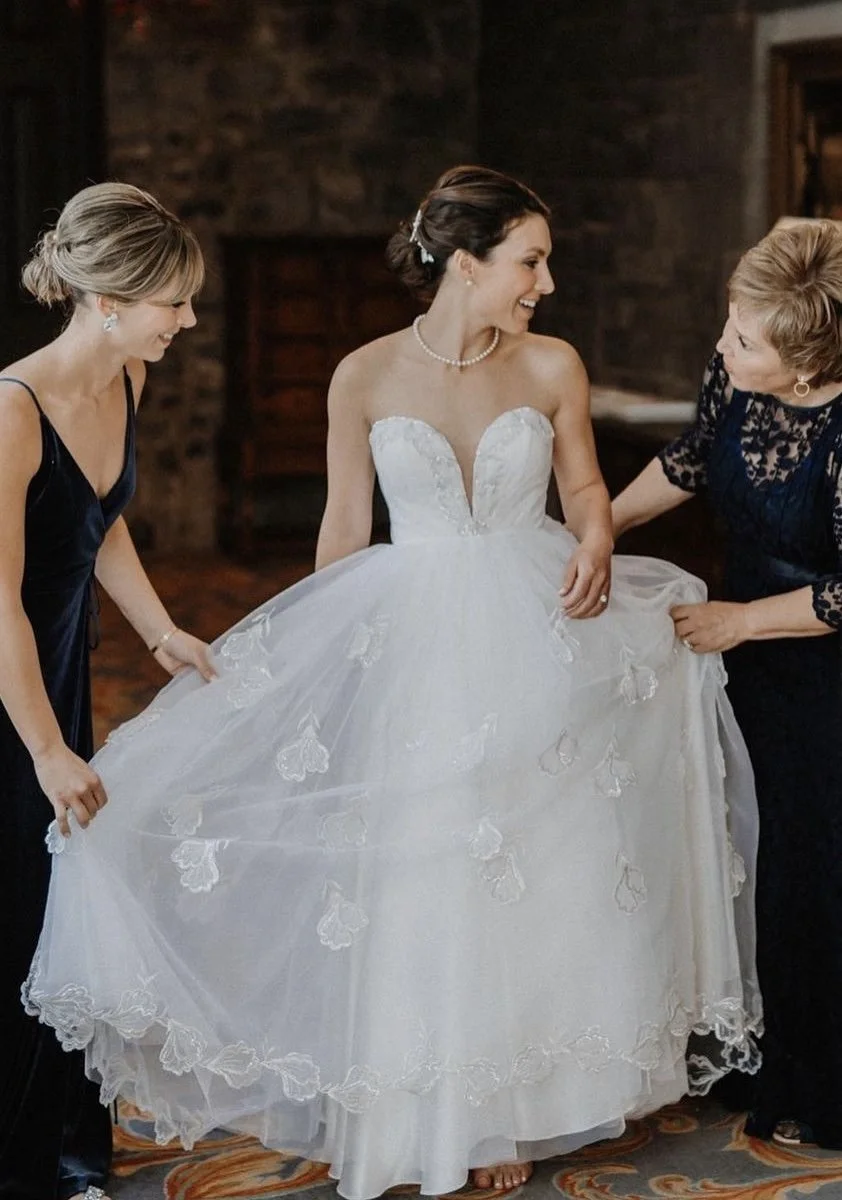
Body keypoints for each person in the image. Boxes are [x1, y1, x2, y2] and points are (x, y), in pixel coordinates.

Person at [25, 167, 760, 1199]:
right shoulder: (361, 374)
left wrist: (593, 538)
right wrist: (315, 663)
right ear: (465, 262)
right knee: (424, 853)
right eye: (529, 261)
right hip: (411, 633)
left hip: (534, 619)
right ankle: (424, 1095)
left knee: (535, 851)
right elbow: (340, 529)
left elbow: (586, 488)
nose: (543, 283)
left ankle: (513, 1102)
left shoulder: (552, 364)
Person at [0, 182, 216, 1200]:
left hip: (63, 668)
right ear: (111, 298)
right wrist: (45, 748)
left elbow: (99, 519)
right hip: (10, 690)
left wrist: (160, 628)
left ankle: (66, 1148)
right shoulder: (11, 407)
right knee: (19, 911)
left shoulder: (123, 384)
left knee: (60, 912)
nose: (186, 321)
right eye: (173, 302)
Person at [611, 218, 842, 1149]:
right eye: (730, 325)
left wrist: (743, 621)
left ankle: (821, 1076)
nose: (721, 345)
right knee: (736, 848)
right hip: (738, 653)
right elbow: (692, 459)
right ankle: (754, 1057)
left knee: (811, 869)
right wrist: (595, 530)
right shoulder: (740, 374)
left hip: (822, 669)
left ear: (804, 365)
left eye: (743, 341)